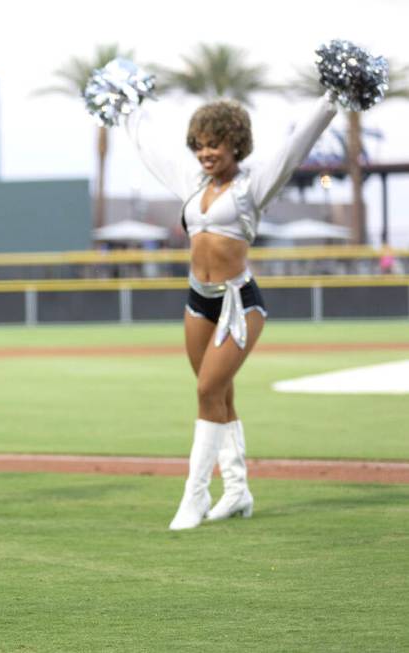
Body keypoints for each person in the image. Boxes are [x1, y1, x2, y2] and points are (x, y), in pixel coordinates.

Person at [126, 93, 337, 530]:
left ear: (235, 144)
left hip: (239, 302)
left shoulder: (253, 185)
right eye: (200, 144)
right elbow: (150, 150)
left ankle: (195, 496)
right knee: (219, 394)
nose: (205, 152)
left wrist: (330, 100)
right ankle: (238, 491)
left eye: (214, 144)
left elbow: (295, 146)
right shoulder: (193, 182)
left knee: (207, 391)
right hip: (198, 300)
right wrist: (129, 109)